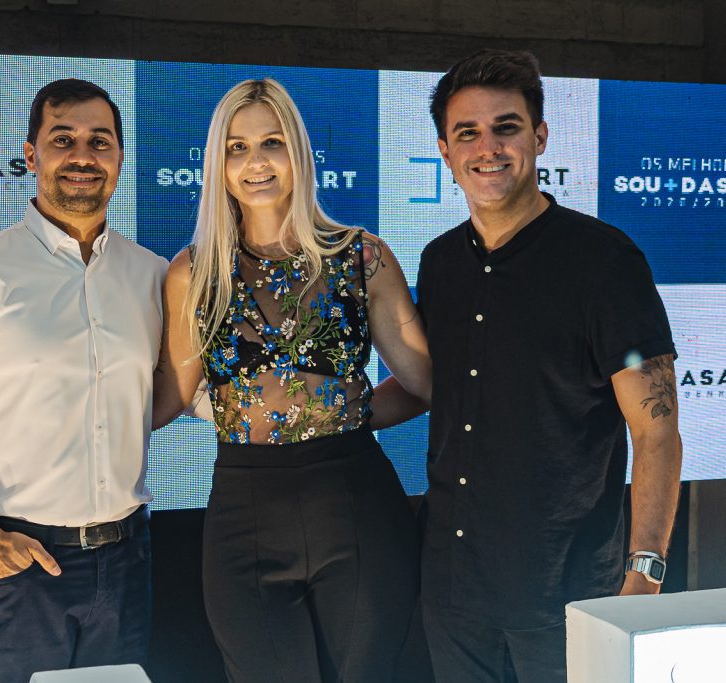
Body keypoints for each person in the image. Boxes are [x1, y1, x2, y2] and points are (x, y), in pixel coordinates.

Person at [415, 49, 684, 682]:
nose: (489, 147)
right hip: (454, 591)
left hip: (567, 592)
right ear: (445, 151)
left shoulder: (605, 264)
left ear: (538, 136)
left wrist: (644, 577)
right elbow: (432, 385)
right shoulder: (438, 262)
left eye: (506, 127)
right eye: (467, 133)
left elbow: (657, 430)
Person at [152, 78, 431, 683]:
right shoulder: (193, 272)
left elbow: (424, 383)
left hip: (357, 505)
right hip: (244, 514)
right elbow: (173, 394)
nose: (255, 162)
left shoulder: (364, 257)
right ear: (218, 163)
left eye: (272, 142)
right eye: (237, 147)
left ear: (298, 153)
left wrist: (341, 413)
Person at [0, 78, 166, 683]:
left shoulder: (153, 276)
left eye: (100, 141)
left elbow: (180, 391)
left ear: (119, 156)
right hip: (19, 564)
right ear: (31, 154)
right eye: (62, 138)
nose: (82, 155)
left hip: (127, 560)